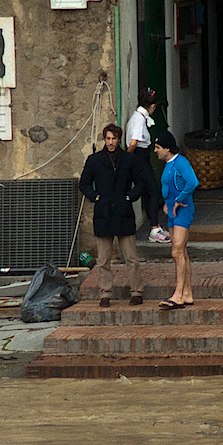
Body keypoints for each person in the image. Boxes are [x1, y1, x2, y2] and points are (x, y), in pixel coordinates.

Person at [79, 123, 151, 307]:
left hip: (123, 212)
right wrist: (94, 196)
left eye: (114, 139)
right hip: (103, 213)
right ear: (105, 139)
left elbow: (142, 182)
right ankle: (105, 293)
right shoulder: (94, 160)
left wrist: (130, 196)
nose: (110, 142)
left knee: (131, 257)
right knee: (103, 259)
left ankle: (136, 291)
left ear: (119, 139)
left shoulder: (129, 160)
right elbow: (84, 183)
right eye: (108, 138)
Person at [153, 131, 199, 309]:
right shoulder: (168, 164)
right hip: (172, 212)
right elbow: (168, 188)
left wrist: (179, 200)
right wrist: (167, 203)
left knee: (176, 252)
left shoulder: (181, 162)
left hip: (183, 211)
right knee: (182, 252)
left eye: (158, 147)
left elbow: (192, 182)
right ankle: (187, 293)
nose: (155, 151)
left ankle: (178, 294)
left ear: (167, 148)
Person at [126, 87, 170, 242]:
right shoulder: (139, 119)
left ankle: (155, 225)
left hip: (141, 156)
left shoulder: (139, 117)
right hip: (139, 157)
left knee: (146, 190)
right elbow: (133, 142)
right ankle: (154, 229)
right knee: (153, 191)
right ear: (152, 107)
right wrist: (127, 158)